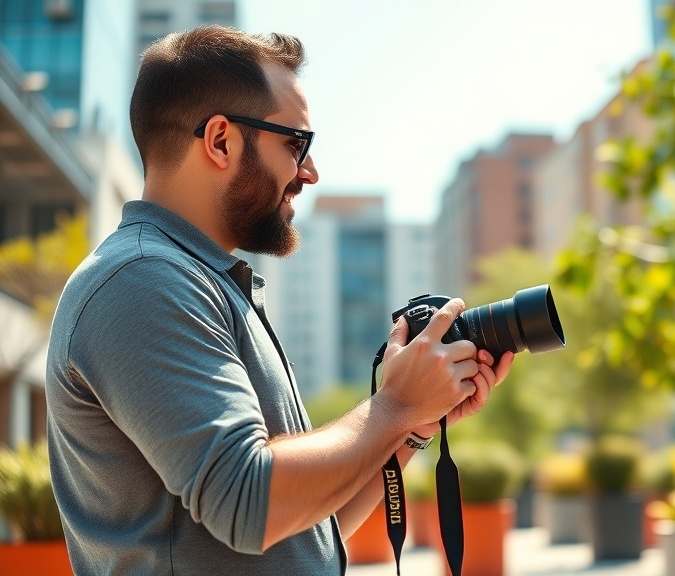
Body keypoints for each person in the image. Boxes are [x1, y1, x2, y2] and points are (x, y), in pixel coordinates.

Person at [45, 25, 513, 575]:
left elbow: (305, 528)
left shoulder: (206, 282)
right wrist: (395, 404)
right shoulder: (143, 280)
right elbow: (251, 504)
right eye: (296, 144)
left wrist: (412, 425)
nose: (310, 172)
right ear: (221, 141)